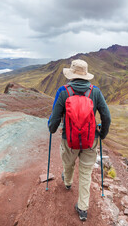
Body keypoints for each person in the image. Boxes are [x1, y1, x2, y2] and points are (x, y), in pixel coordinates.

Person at [48, 59, 111, 221]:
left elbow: (55, 118)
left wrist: (52, 128)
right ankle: (83, 208)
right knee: (85, 173)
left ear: (71, 74)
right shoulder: (95, 92)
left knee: (68, 164)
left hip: (68, 140)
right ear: (86, 75)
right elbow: (106, 116)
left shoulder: (63, 91)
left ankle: (67, 182)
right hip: (91, 141)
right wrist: (102, 134)